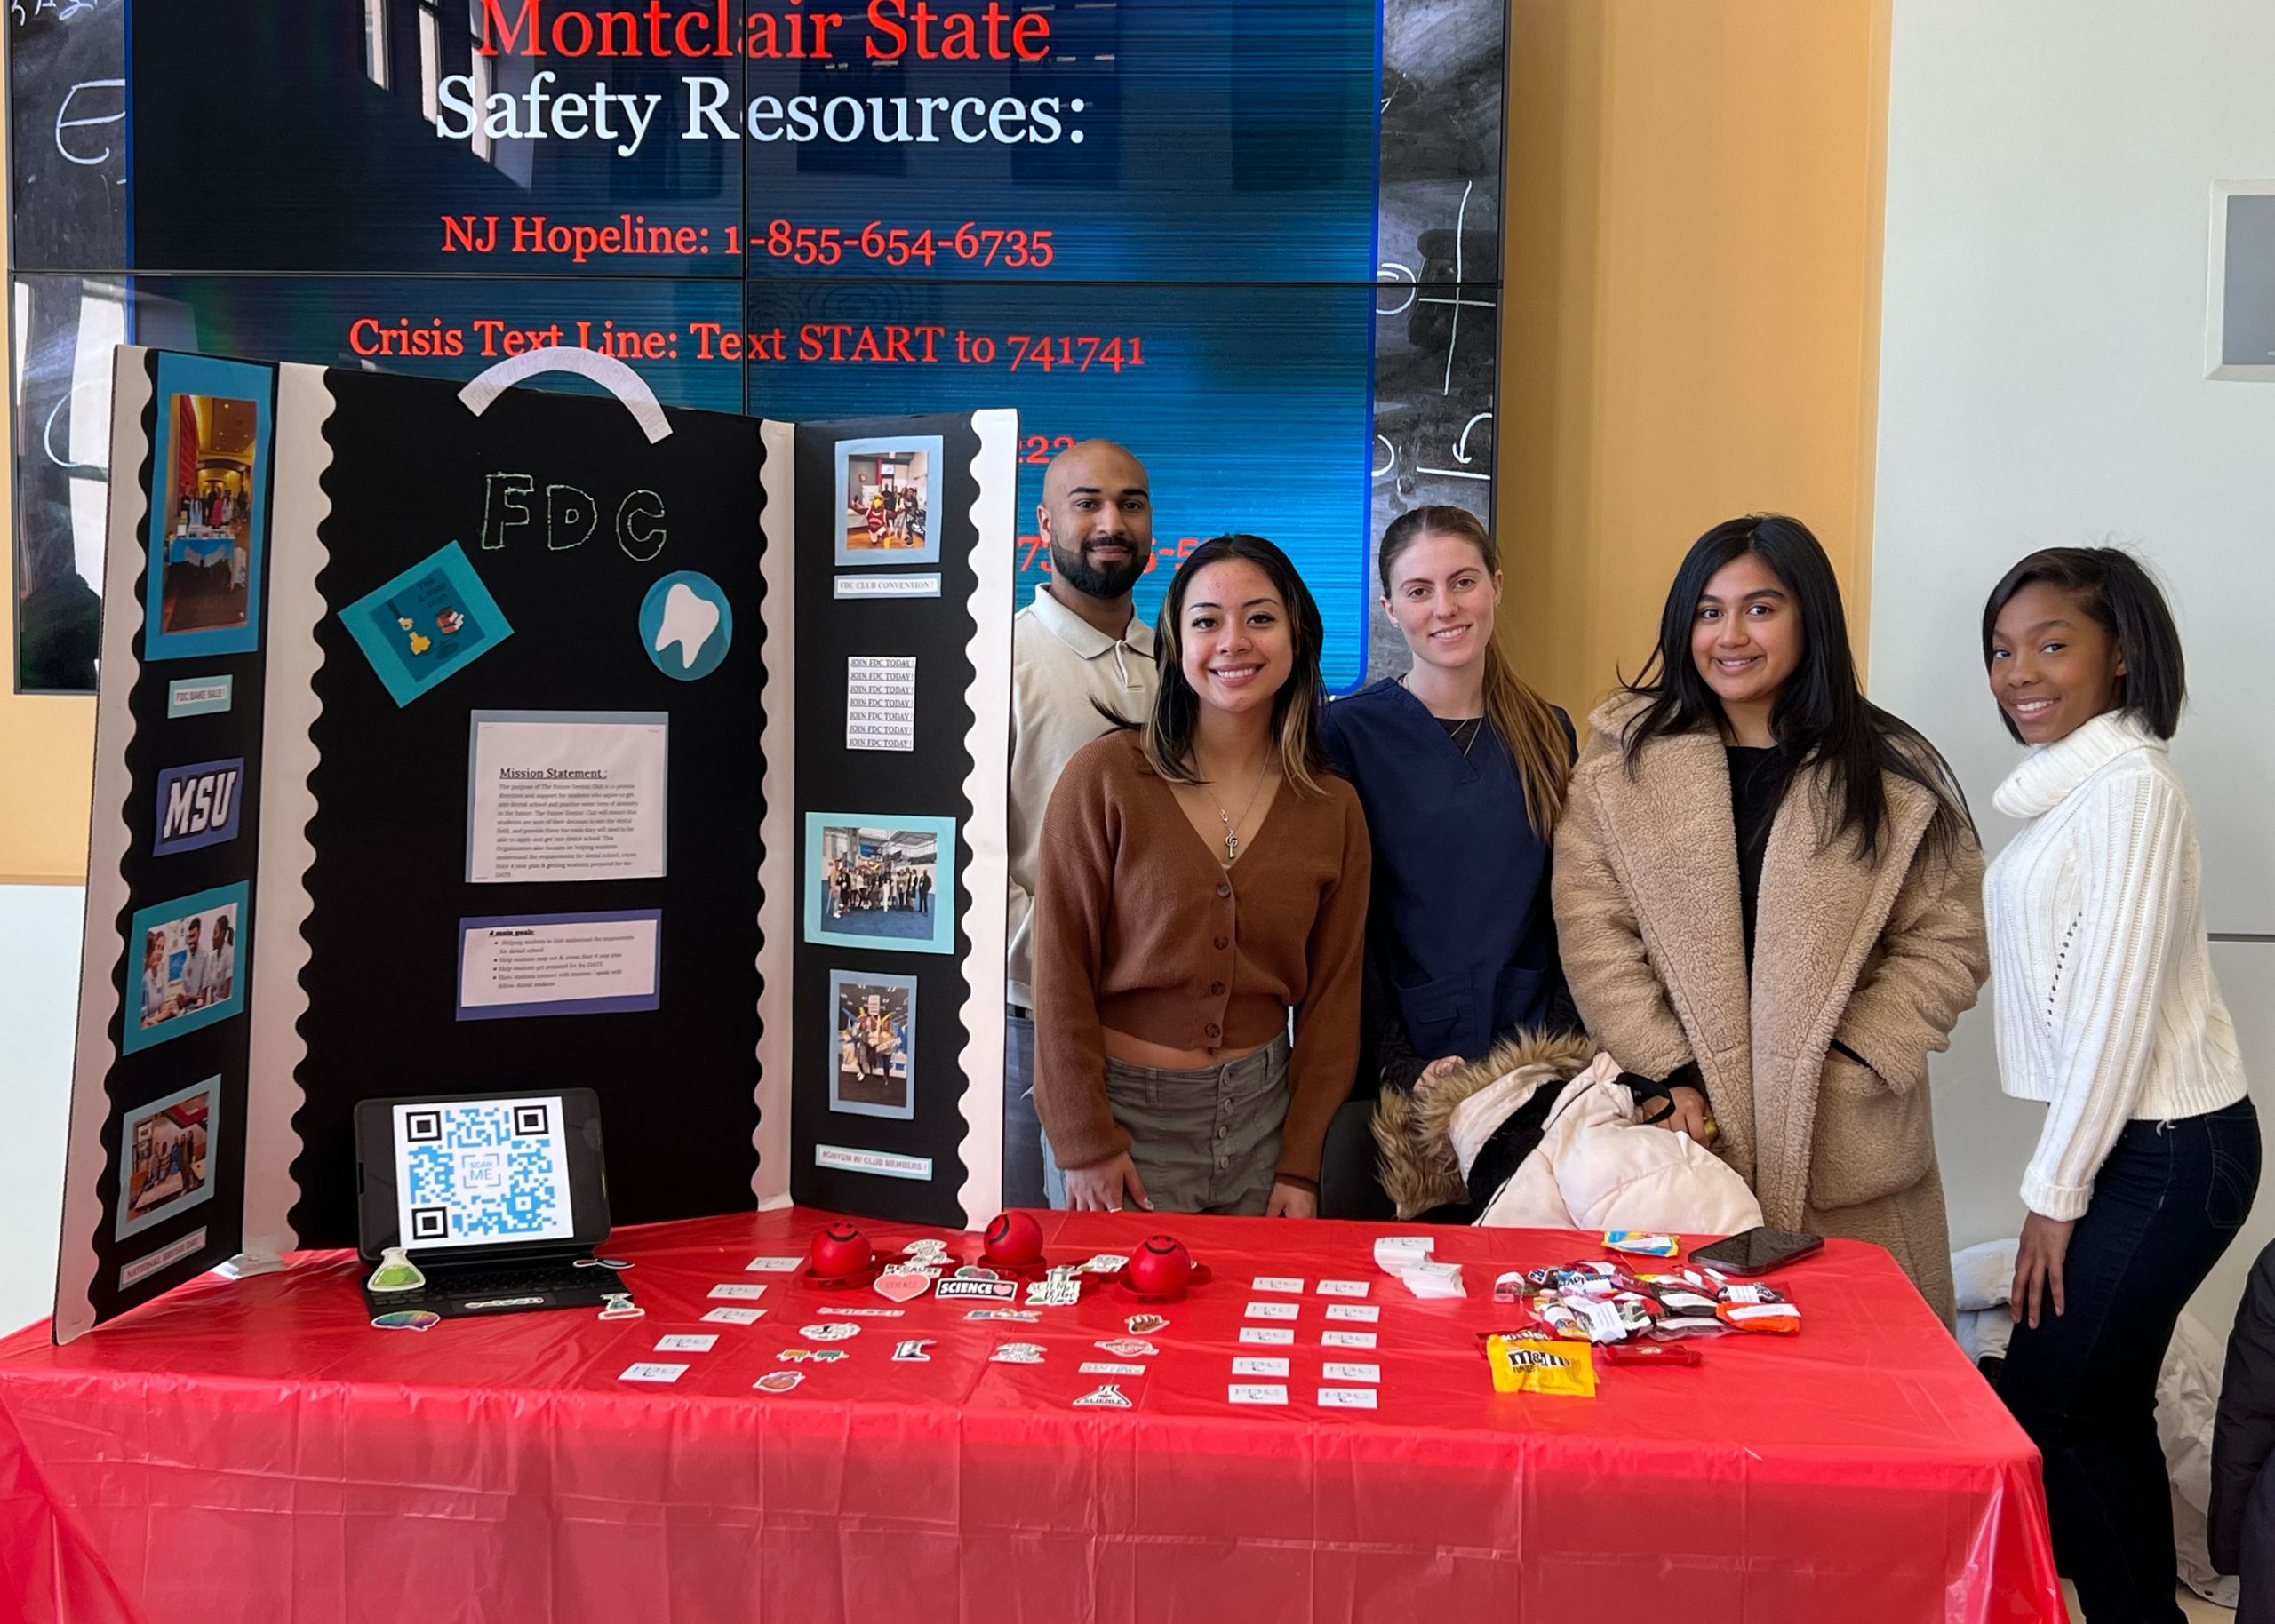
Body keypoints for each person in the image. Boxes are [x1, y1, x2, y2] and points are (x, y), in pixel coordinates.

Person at [1553, 513, 1984, 1318]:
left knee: (1863, 1393)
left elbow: (1950, 937)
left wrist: (1860, 1052)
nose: (1731, 635)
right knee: (1698, 1387)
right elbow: (1593, 933)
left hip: (1843, 1141)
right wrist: (1665, 1071)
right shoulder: (1624, 766)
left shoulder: (1889, 772)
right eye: (1709, 612)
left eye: (1761, 607)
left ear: (1808, 616)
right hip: (1685, 1134)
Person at [1979, 547, 2256, 1624]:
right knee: (2093, 1405)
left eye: (2052, 644)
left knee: (2060, 1405)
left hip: (2173, 1150)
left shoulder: (2131, 790)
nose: (2018, 673)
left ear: (2121, 655)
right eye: (2002, 650)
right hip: (2139, 1144)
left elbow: (2112, 1014)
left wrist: (2055, 1195)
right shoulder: (2080, 789)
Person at [1032, 533, 1370, 1217]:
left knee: (1250, 1325)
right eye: (1206, 621)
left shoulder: (1334, 809)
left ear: (1297, 635)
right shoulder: (1105, 779)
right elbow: (1058, 971)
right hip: (1123, 1126)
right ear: (1175, 643)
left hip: (1263, 1129)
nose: (1233, 641)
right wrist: (1085, 1143)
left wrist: (1302, 1166)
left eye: (1261, 617)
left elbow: (1333, 1006)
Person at [1321, 506, 1579, 1101]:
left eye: (1463, 582)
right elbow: (1346, 924)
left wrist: (1560, 1043)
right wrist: (1399, 1060)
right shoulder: (1346, 734)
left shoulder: (1549, 731)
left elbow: (1570, 906)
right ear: (1390, 609)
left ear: (1496, 584)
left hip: (1535, 1055)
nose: (1446, 607)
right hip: (1403, 1061)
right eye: (1419, 591)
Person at [1003, 439, 1160, 1208]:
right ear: (1043, 523)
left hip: (1156, 1027)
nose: (1111, 522)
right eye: (1087, 502)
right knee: (1023, 1260)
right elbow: (964, 855)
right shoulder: (996, 660)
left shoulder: (1183, 662)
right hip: (1028, 1026)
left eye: (1130, 504)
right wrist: (1062, 954)